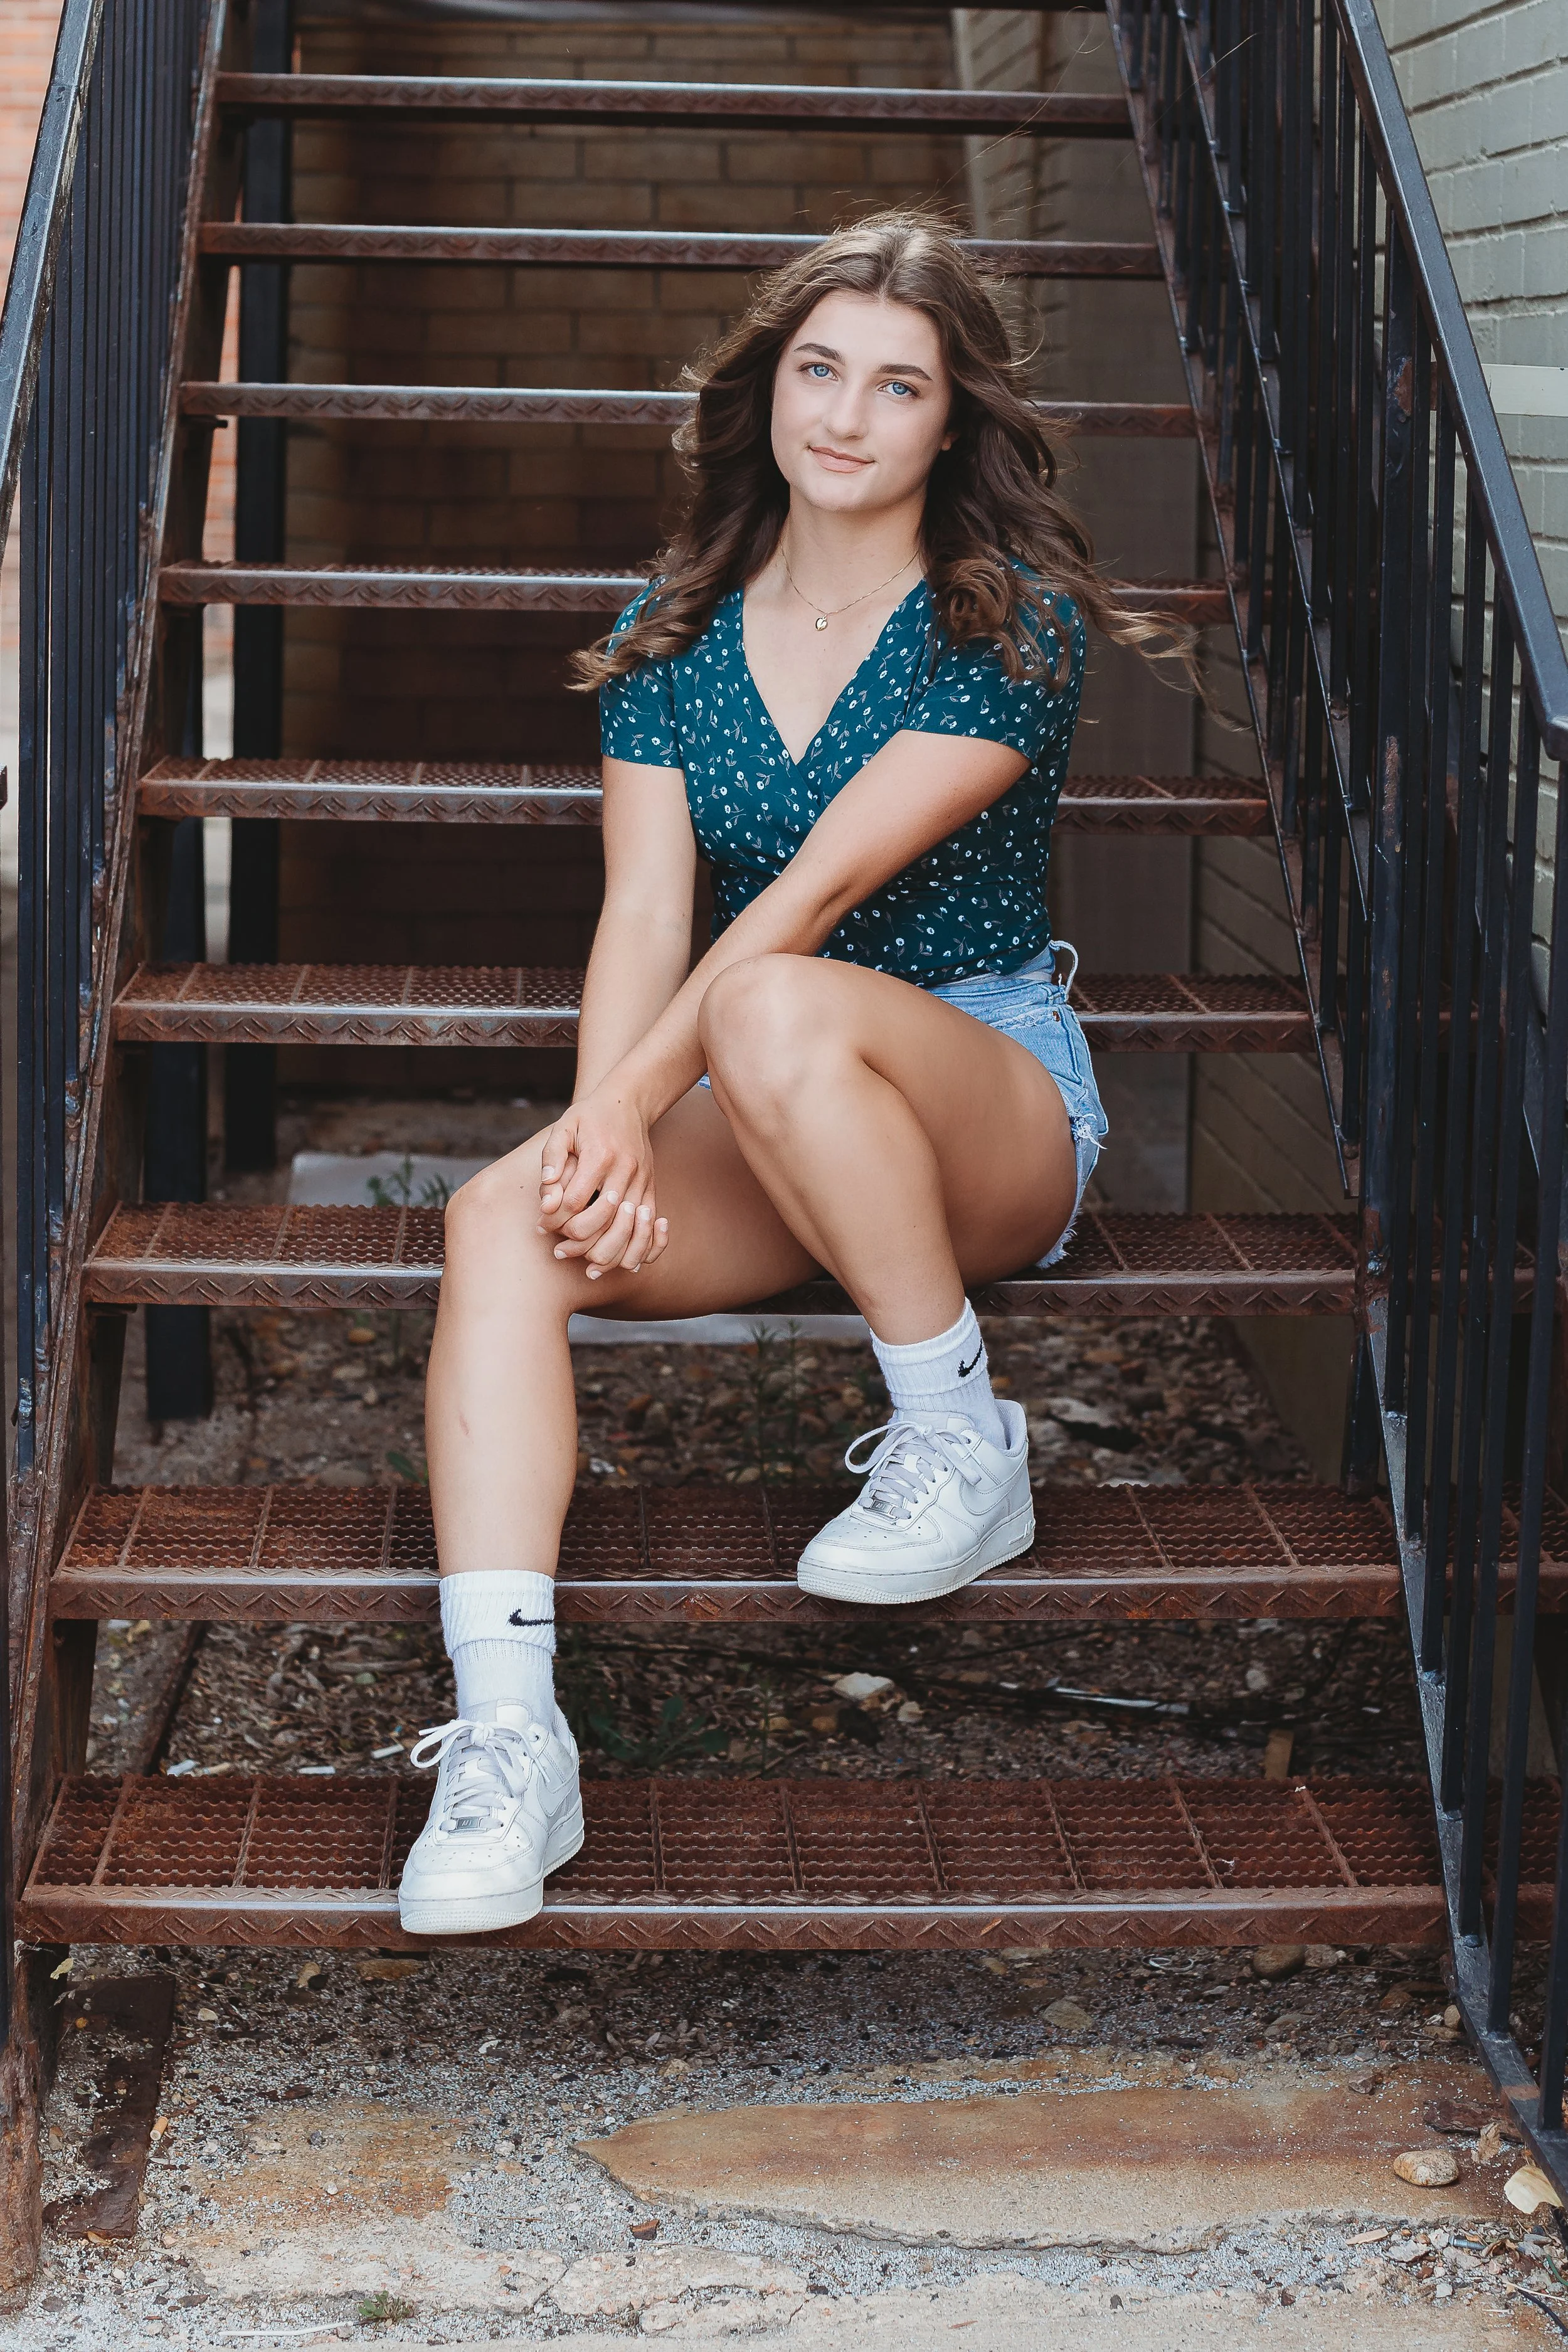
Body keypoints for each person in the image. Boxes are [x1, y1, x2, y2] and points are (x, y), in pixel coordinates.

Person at [396, 209, 1187, 1936]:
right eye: (817, 369)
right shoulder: (674, 631)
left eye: (895, 384)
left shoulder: (1008, 624)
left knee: (774, 998)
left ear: (950, 424)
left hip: (986, 1092)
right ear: (766, 389)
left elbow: (815, 896)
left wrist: (624, 1104)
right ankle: (513, 1742)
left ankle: (956, 1436)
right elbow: (643, 913)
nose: (844, 413)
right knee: (496, 1224)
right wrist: (600, 1128)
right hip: (758, 1095)